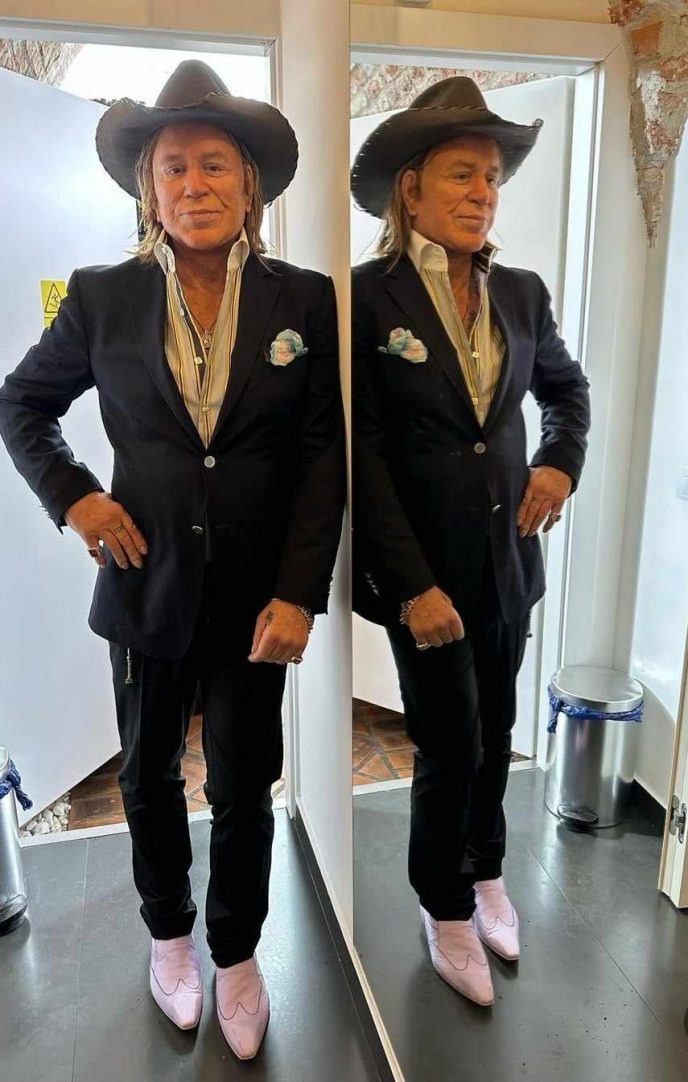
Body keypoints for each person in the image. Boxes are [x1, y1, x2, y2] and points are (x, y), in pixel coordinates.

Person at [0, 60, 345, 1058]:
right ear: (149, 191)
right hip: (144, 588)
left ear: (250, 186)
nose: (195, 184)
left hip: (256, 600)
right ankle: (168, 938)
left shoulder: (303, 300)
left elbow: (322, 456)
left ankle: (235, 952)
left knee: (245, 781)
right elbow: (22, 403)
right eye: (174, 167)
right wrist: (76, 496)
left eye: (215, 165)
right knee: (149, 778)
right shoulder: (102, 297)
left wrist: (299, 592)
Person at [351, 76, 590, 1007]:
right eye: (463, 173)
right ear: (411, 188)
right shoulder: (366, 298)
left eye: (492, 176)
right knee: (447, 741)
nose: (483, 191)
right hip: (425, 578)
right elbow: (364, 457)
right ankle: (444, 904)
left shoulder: (521, 294)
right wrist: (411, 585)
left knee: (496, 731)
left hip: (509, 566)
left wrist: (559, 464)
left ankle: (486, 870)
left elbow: (565, 392)